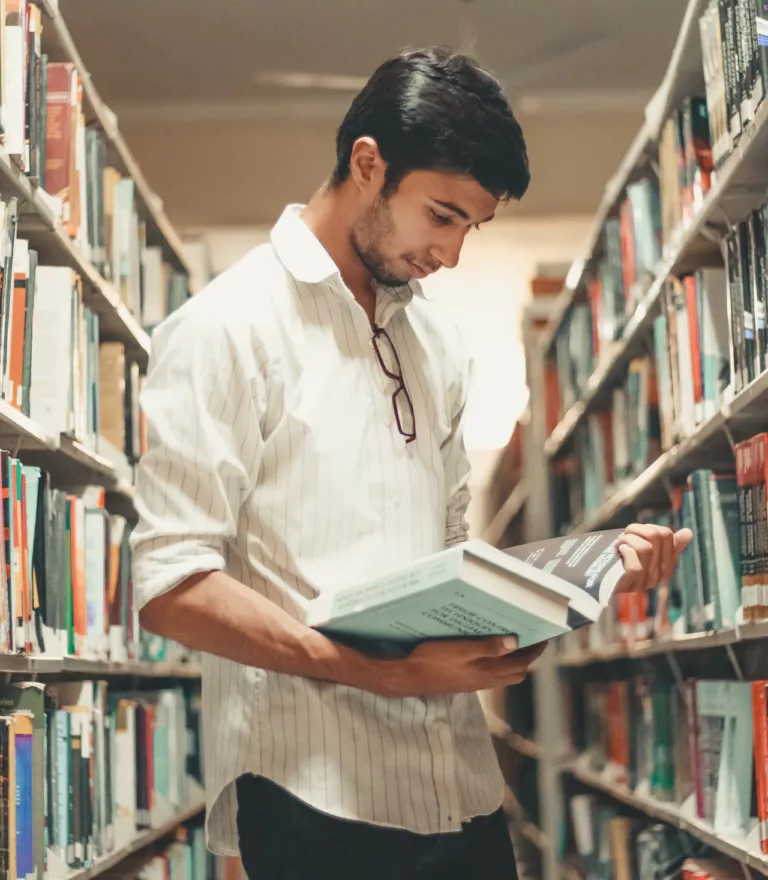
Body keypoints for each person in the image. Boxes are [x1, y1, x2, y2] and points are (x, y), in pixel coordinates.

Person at [132, 46, 692, 880]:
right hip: (314, 799)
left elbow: (449, 562)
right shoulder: (225, 329)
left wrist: (584, 578)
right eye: (441, 215)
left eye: (473, 226)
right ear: (368, 164)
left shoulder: (436, 344)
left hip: (460, 788)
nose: (454, 253)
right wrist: (371, 674)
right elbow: (171, 586)